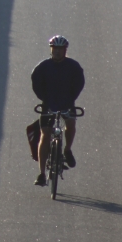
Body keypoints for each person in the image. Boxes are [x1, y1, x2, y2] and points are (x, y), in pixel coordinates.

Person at [29, 34, 85, 188]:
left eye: (60, 49)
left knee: (71, 124)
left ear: (65, 50)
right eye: (55, 48)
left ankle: (67, 150)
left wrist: (70, 99)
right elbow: (35, 83)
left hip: (67, 103)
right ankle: (41, 173)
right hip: (48, 105)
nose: (57, 51)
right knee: (45, 136)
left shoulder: (73, 67)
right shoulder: (43, 67)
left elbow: (79, 84)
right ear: (51, 49)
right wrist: (44, 98)